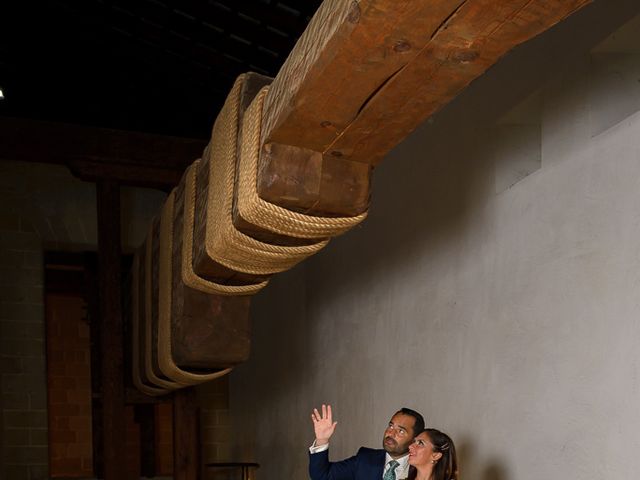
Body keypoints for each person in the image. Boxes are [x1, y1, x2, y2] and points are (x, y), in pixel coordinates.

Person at [309, 404, 426, 480]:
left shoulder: (422, 468)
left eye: (400, 431)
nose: (391, 433)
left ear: (414, 439)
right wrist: (322, 439)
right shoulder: (364, 459)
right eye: (391, 426)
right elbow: (322, 476)